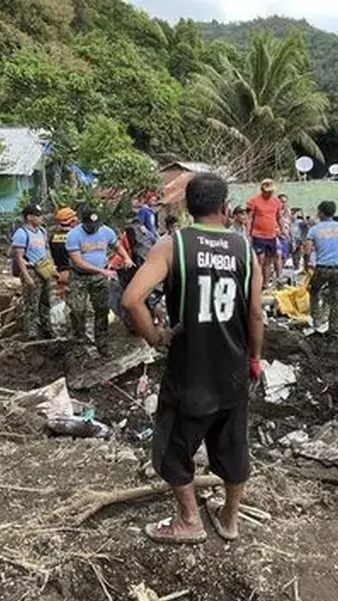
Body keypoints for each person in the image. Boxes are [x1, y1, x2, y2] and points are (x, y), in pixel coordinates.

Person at [122, 172, 264, 544]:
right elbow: (255, 314)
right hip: (232, 369)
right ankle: (230, 521)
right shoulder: (244, 249)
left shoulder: (172, 246)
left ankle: (189, 519)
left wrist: (156, 337)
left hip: (190, 370)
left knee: (172, 449)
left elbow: (132, 299)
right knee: (234, 446)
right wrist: (255, 357)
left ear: (186, 206)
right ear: (225, 207)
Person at [66, 208, 132, 357]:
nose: (94, 228)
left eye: (96, 225)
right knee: (77, 310)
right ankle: (79, 341)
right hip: (79, 276)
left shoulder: (106, 232)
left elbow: (117, 246)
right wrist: (102, 271)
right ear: (83, 223)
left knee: (102, 309)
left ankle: (102, 342)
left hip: (100, 277)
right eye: (90, 226)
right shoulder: (73, 235)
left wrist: (126, 257)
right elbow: (77, 261)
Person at [303, 200, 338, 336]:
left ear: (320, 212)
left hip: (322, 267)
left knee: (314, 291)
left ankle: (317, 320)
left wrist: (306, 265)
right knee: (337, 299)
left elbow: (307, 250)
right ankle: (335, 329)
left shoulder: (314, 230)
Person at [11, 204, 55, 340]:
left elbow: (46, 250)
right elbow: (18, 256)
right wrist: (25, 276)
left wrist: (51, 267)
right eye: (38, 216)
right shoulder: (21, 234)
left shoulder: (42, 231)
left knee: (45, 301)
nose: (41, 218)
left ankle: (47, 328)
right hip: (31, 270)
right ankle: (32, 332)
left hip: (44, 268)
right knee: (31, 303)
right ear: (29, 217)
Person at [246, 178, 283, 288]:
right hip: (258, 234)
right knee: (260, 259)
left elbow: (279, 217)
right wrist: (248, 234)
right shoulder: (254, 201)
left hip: (271, 234)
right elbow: (250, 218)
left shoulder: (276, 202)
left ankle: (266, 284)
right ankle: (256, 283)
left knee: (269, 260)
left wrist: (283, 230)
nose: (269, 193)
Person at [49, 207, 77, 298]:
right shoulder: (74, 236)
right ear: (72, 221)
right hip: (72, 273)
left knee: (63, 298)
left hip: (59, 272)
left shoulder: (53, 236)